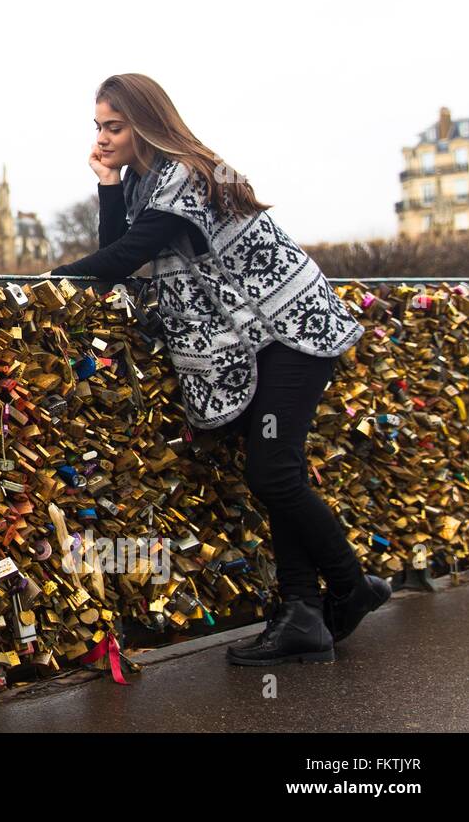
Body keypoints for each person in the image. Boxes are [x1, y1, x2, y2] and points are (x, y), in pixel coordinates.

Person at [41, 73, 391, 665]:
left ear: (145, 124)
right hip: (258, 339)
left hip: (290, 331)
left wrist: (51, 282)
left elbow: (124, 257)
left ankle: (352, 586)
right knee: (278, 474)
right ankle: (304, 613)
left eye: (114, 127)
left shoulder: (183, 173)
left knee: (274, 474)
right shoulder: (146, 183)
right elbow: (121, 249)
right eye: (98, 127)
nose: (102, 138)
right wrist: (107, 184)